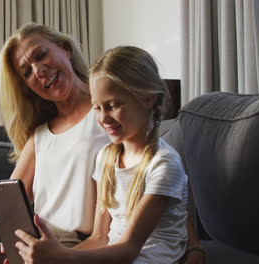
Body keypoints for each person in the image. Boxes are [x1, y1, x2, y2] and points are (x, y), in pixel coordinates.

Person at [0, 22, 204, 264]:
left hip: (76, 239)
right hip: (42, 231)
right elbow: (4, 209)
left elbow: (158, 178)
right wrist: (12, 223)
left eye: (41, 55)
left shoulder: (116, 118)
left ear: (65, 50)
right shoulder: (41, 133)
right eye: (27, 72)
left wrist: (193, 246)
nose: (39, 71)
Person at [15, 46, 194, 264]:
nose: (103, 118)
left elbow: (129, 249)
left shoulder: (164, 165)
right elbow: (99, 237)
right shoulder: (106, 158)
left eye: (112, 105)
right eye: (97, 108)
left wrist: (61, 257)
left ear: (148, 99)